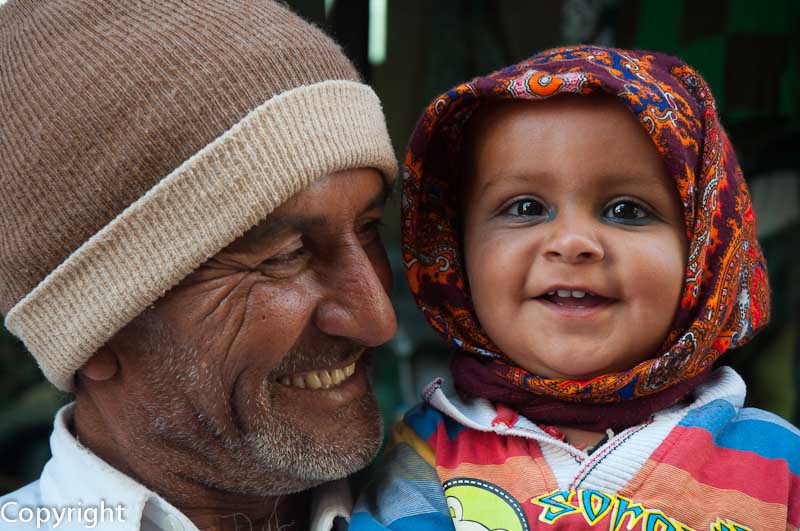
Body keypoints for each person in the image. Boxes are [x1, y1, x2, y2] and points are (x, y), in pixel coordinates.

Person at [351, 46, 800, 530]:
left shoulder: (781, 468)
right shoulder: (425, 457)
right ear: (456, 252)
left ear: (703, 253)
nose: (572, 243)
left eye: (626, 210)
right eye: (525, 207)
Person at [0, 1, 398, 530]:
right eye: (284, 257)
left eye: (369, 229)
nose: (377, 319)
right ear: (92, 333)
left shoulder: (490, 503)